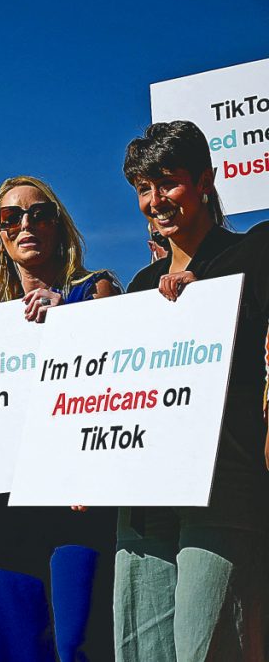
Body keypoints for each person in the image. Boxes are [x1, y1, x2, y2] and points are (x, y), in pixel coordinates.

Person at [115, 120, 269, 662]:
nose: (156, 200)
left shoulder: (254, 253)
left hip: (222, 489)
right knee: (141, 652)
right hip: (144, 498)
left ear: (206, 180)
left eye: (168, 182)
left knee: (209, 649)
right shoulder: (138, 287)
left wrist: (211, 301)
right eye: (143, 188)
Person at [0, 175, 119, 661]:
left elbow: (120, 380)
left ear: (59, 225)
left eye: (39, 213)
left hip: (75, 498)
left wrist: (73, 318)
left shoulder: (95, 291)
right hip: (2, 505)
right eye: (10, 217)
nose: (25, 224)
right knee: (10, 647)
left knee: (80, 641)